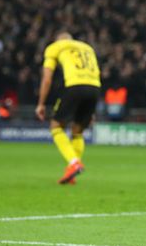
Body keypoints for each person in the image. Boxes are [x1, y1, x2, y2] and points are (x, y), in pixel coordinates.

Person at [35, 32, 101, 185]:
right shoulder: (87, 48)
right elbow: (96, 73)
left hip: (74, 86)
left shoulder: (55, 47)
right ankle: (72, 171)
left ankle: (74, 163)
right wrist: (91, 109)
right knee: (77, 131)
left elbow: (47, 79)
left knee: (56, 127)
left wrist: (41, 104)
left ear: (59, 40)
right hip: (94, 88)